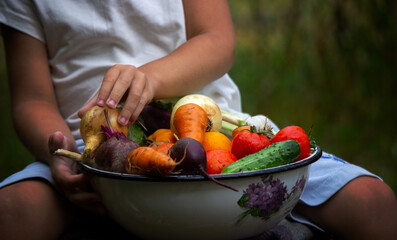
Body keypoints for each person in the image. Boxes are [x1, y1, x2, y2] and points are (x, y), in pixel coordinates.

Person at [0, 1, 396, 240]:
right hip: (92, 153)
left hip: (212, 129)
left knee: (372, 203)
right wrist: (57, 153)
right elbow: (31, 99)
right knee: (12, 210)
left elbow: (218, 41)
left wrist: (151, 79)